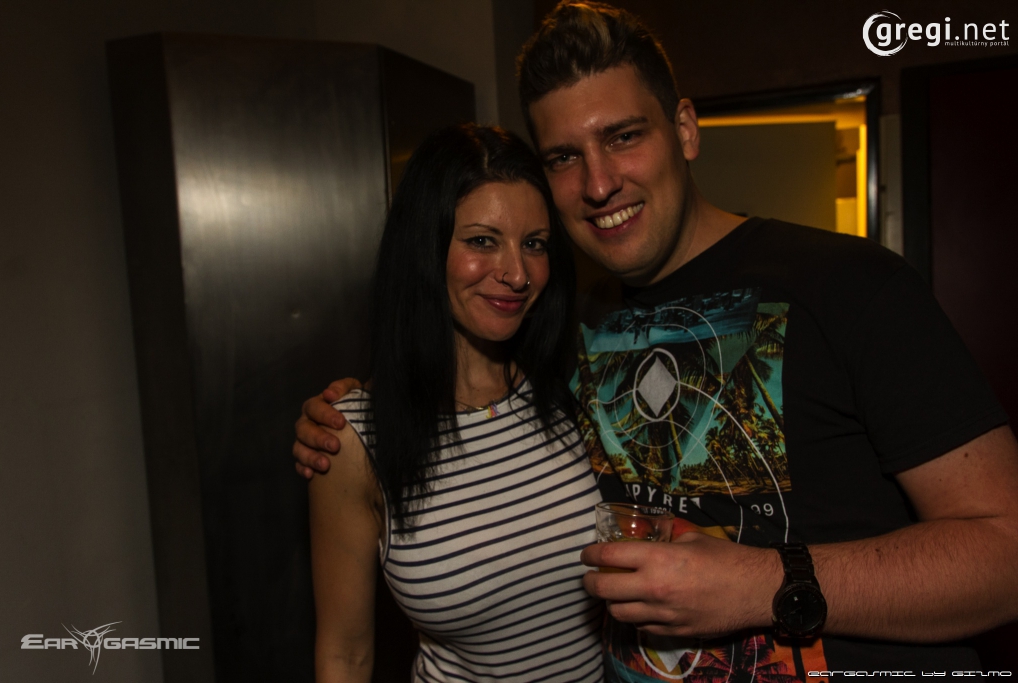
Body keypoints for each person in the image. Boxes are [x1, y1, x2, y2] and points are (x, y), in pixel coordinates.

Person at [298, 2, 1018, 680]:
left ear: (685, 129)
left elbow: (1007, 553)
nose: (599, 183)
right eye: (564, 156)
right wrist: (351, 412)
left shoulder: (851, 286)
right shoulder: (564, 327)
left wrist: (764, 583)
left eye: (623, 136)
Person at [309, 122, 604, 682]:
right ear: (426, 249)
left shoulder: (577, 389)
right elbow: (345, 655)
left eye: (534, 244)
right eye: (482, 241)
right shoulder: (352, 439)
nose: (517, 274)